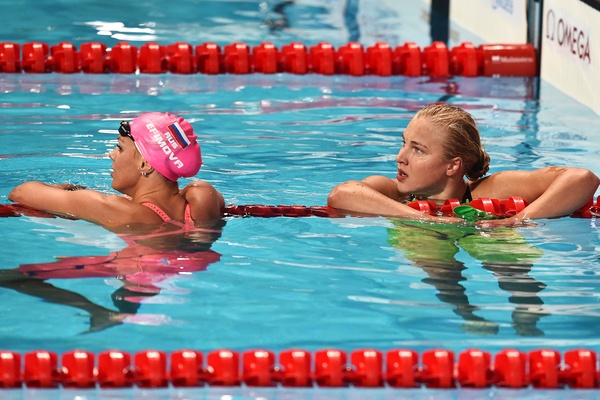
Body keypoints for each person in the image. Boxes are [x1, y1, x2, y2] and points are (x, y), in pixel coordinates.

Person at [327, 103, 600, 225]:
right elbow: (341, 195)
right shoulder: (393, 192)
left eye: (418, 150)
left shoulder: (486, 191)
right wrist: (424, 218)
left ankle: (524, 307)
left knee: (501, 247)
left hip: (493, 239)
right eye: (404, 143)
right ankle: (457, 302)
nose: (401, 157)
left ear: (452, 166)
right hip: (428, 233)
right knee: (426, 243)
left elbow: (583, 178)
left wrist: (516, 220)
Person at [9, 112, 225, 231]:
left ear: (144, 164)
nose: (112, 154)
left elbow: (21, 193)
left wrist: (58, 190)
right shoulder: (204, 199)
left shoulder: (118, 210)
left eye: (120, 148)